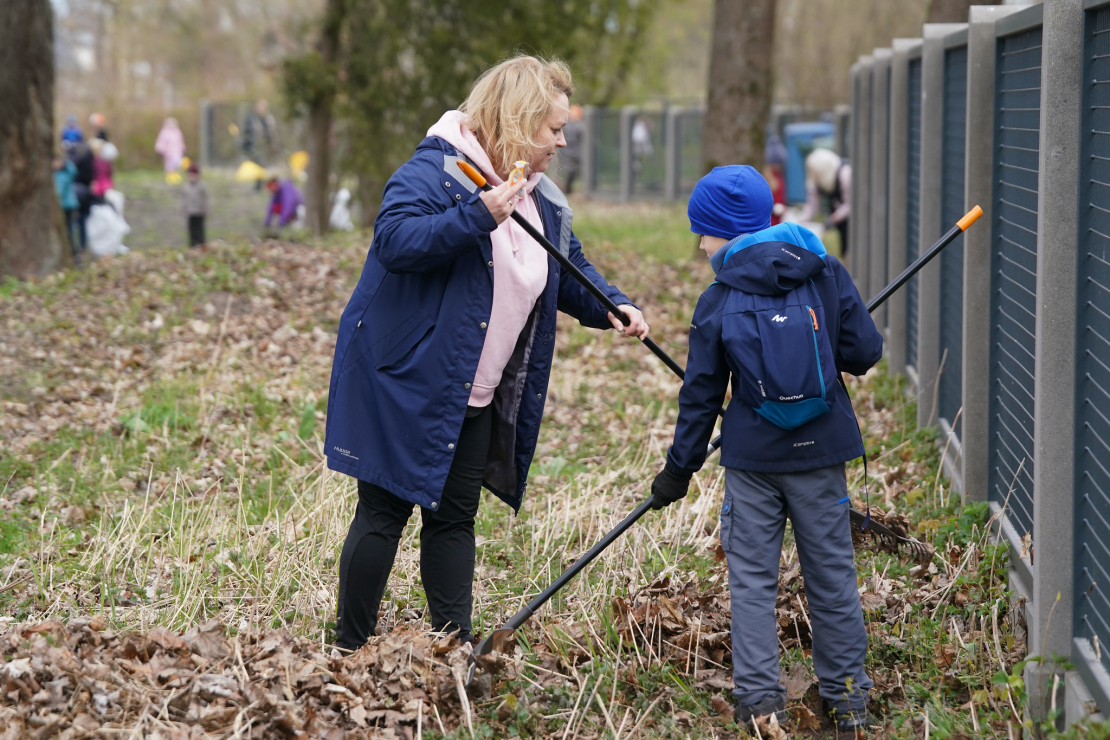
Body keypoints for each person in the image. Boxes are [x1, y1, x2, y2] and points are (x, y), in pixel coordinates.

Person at [325, 55, 649, 652]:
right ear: (518, 121)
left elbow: (565, 265)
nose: (562, 140)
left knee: (454, 520)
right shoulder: (436, 170)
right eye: (554, 128)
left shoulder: (538, 196)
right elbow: (395, 240)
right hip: (407, 381)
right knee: (383, 514)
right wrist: (477, 215)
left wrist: (613, 304)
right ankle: (348, 650)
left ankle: (455, 649)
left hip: (473, 389)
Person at [648, 165, 882, 732]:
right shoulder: (824, 271)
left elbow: (700, 397)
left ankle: (759, 705)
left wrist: (678, 471)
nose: (701, 245)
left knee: (752, 583)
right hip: (821, 454)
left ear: (726, 231)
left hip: (753, 463)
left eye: (703, 232)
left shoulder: (718, 298)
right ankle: (849, 701)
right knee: (832, 576)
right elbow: (864, 352)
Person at [799, 148, 851, 257]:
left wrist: (834, 218)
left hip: (851, 218)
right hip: (839, 219)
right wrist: (802, 223)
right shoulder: (819, 179)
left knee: (850, 246)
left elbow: (850, 204)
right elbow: (812, 203)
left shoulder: (844, 173)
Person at [53, 154, 82, 259]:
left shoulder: (64, 173)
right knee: (68, 230)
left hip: (67, 206)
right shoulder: (58, 174)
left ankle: (74, 253)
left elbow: (59, 192)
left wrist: (64, 162)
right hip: (66, 206)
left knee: (69, 231)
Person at [763, 134, 788, 226]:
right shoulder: (766, 178)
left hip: (779, 220)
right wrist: (775, 208)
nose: (779, 166)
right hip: (770, 222)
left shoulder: (779, 176)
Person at [183, 163, 209, 248]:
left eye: (194, 175)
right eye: (190, 175)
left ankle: (201, 247)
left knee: (200, 231)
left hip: (199, 212)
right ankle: (193, 247)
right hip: (190, 212)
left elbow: (205, 198)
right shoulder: (186, 187)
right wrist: (184, 210)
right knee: (192, 231)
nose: (192, 177)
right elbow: (184, 200)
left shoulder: (201, 186)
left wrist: (205, 208)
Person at [560, 104, 584, 194]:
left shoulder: (580, 124)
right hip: (569, 152)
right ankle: (567, 190)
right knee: (570, 171)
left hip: (578, 152)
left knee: (576, 171)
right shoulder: (568, 125)